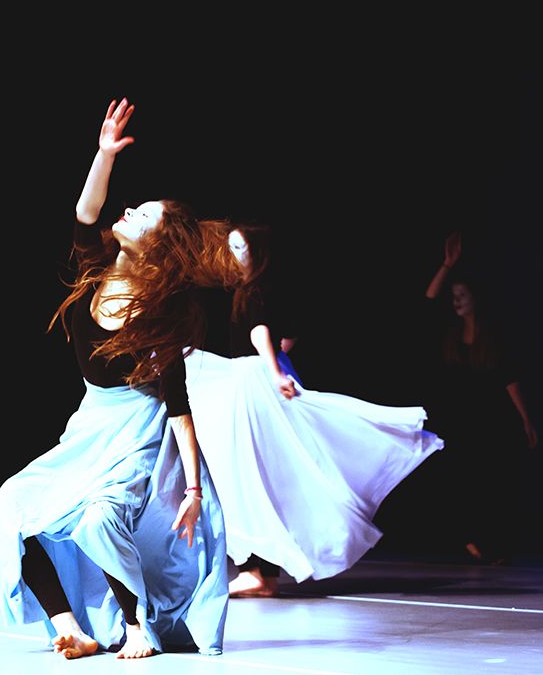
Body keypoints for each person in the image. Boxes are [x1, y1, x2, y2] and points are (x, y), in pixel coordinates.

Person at [0, 98, 228, 660]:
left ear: (157, 246)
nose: (130, 212)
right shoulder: (94, 268)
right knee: (8, 509)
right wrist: (104, 154)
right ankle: (70, 626)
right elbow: (85, 211)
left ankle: (137, 626)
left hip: (136, 431)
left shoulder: (159, 315)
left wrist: (193, 491)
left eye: (144, 216)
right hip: (91, 422)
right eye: (136, 207)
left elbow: (177, 406)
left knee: (98, 518)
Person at [186, 219, 445, 596]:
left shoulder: (252, 291)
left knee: (248, 475)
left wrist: (273, 370)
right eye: (232, 248)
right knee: (266, 475)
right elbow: (287, 336)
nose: (234, 255)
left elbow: (260, 332)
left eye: (241, 248)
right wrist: (278, 364)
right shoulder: (260, 289)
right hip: (258, 378)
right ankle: (263, 574)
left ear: (258, 256)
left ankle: (257, 572)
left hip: (253, 381)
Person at [422, 230, 538, 565]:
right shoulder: (451, 333)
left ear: (476, 298)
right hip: (459, 418)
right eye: (454, 296)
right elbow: (429, 300)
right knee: (462, 481)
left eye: (461, 295)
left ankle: (492, 543)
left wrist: (526, 419)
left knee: (492, 482)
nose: (456, 301)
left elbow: (509, 377)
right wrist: (447, 266)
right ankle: (468, 539)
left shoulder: (492, 336)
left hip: (489, 419)